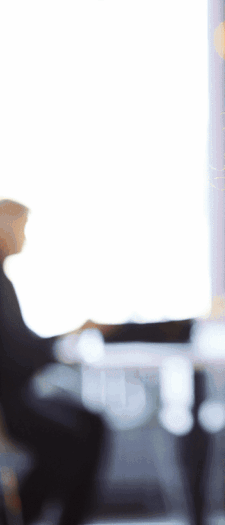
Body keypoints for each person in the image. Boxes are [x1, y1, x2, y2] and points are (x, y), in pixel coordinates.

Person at [0, 199, 113, 525]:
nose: (25, 238)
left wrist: (69, 335)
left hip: (22, 393)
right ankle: (24, 511)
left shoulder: (4, 280)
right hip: (12, 403)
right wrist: (72, 334)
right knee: (71, 442)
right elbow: (18, 356)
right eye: (21, 229)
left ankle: (64, 517)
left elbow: (20, 346)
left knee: (92, 423)